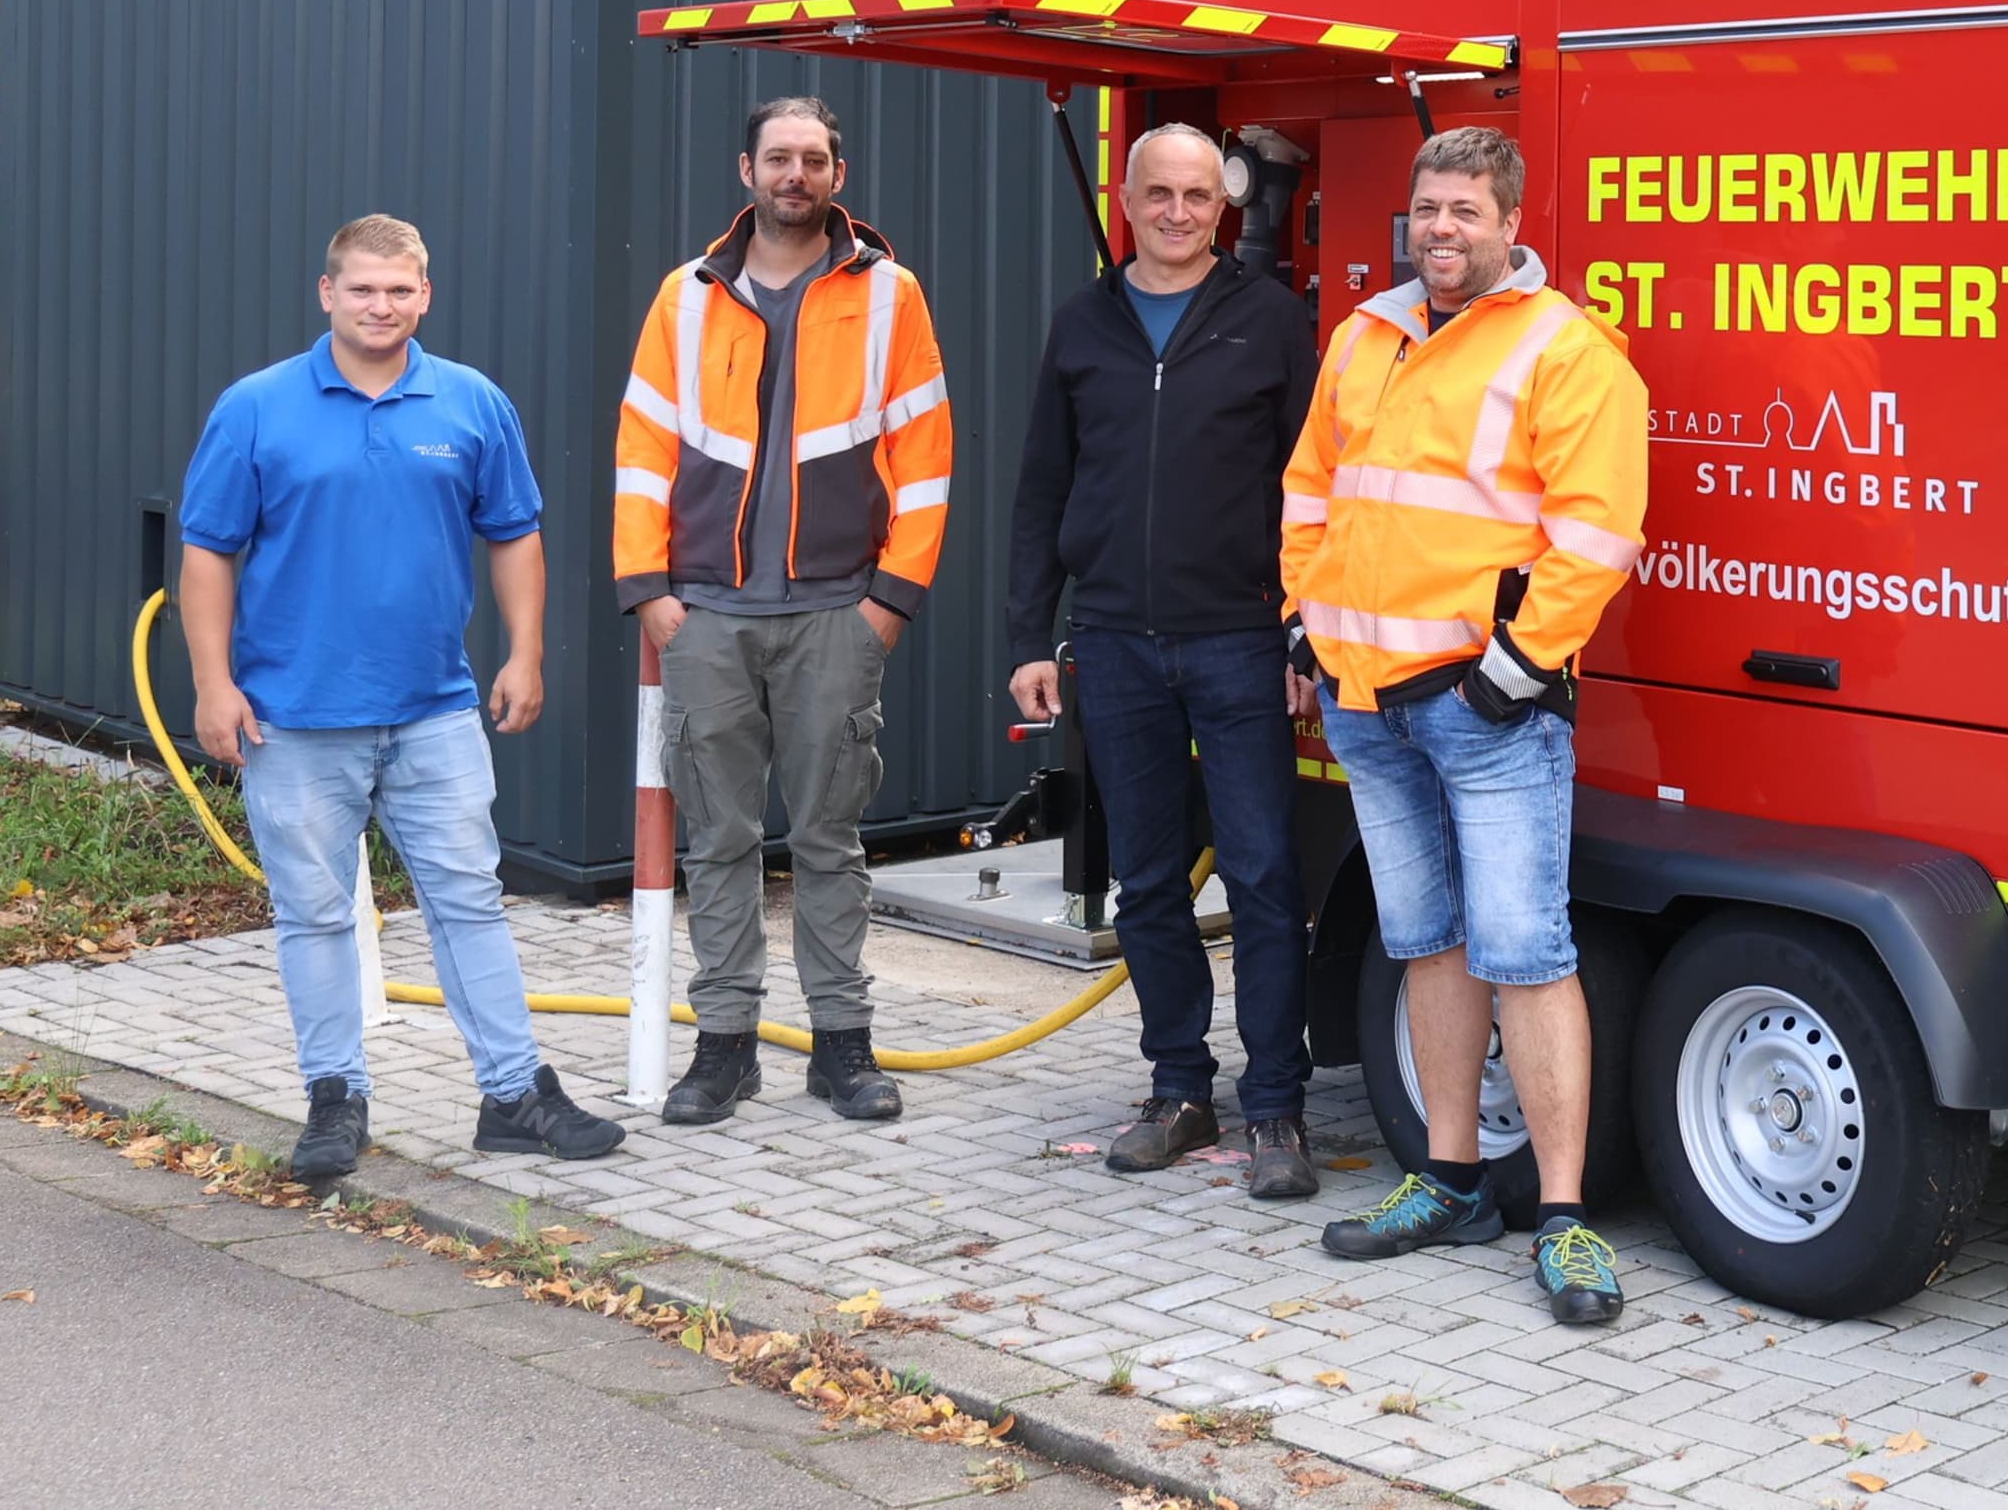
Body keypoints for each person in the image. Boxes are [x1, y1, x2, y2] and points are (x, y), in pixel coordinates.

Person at [1285, 125, 1649, 1327]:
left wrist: (1514, 667)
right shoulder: (1365, 333)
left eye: (1466, 212)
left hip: (1487, 710)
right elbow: (1311, 490)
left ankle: (1563, 1217)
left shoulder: (1567, 346)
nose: (1442, 229)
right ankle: (1446, 1180)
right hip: (1368, 703)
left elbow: (1597, 533)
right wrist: (1303, 624)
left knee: (1527, 950)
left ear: (1510, 222)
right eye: (1428, 208)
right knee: (1424, 937)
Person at [178, 214, 625, 1184]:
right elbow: (208, 553)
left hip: (434, 711)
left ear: (425, 296)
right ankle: (334, 1100)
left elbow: (514, 533)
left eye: (400, 290)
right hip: (292, 721)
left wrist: (525, 652)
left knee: (469, 903)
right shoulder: (256, 408)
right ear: (326, 293)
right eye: (363, 288)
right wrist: (214, 684)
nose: (381, 306)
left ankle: (513, 1096)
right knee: (315, 914)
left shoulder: (470, 403)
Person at [615, 94, 953, 1126]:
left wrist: (887, 604)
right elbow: (642, 450)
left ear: (837, 176)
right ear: (746, 170)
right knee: (715, 838)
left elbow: (927, 459)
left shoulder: (890, 295)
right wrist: (652, 596)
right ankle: (723, 1049)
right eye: (778, 158)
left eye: (813, 159)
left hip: (835, 616)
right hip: (706, 616)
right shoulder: (687, 295)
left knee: (828, 840)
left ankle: (842, 1048)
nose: (794, 174)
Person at [1007, 123, 1321, 1198]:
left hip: (1240, 641)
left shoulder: (1273, 322)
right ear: (1127, 199)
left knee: (1266, 878)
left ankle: (1277, 1104)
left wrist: (1301, 626)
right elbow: (1042, 487)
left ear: (1222, 207)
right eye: (1161, 193)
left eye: (1199, 194)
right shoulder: (1081, 325)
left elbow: (1312, 487)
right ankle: (1180, 1091)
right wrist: (1025, 639)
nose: (1181, 211)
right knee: (1146, 882)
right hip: (1115, 644)